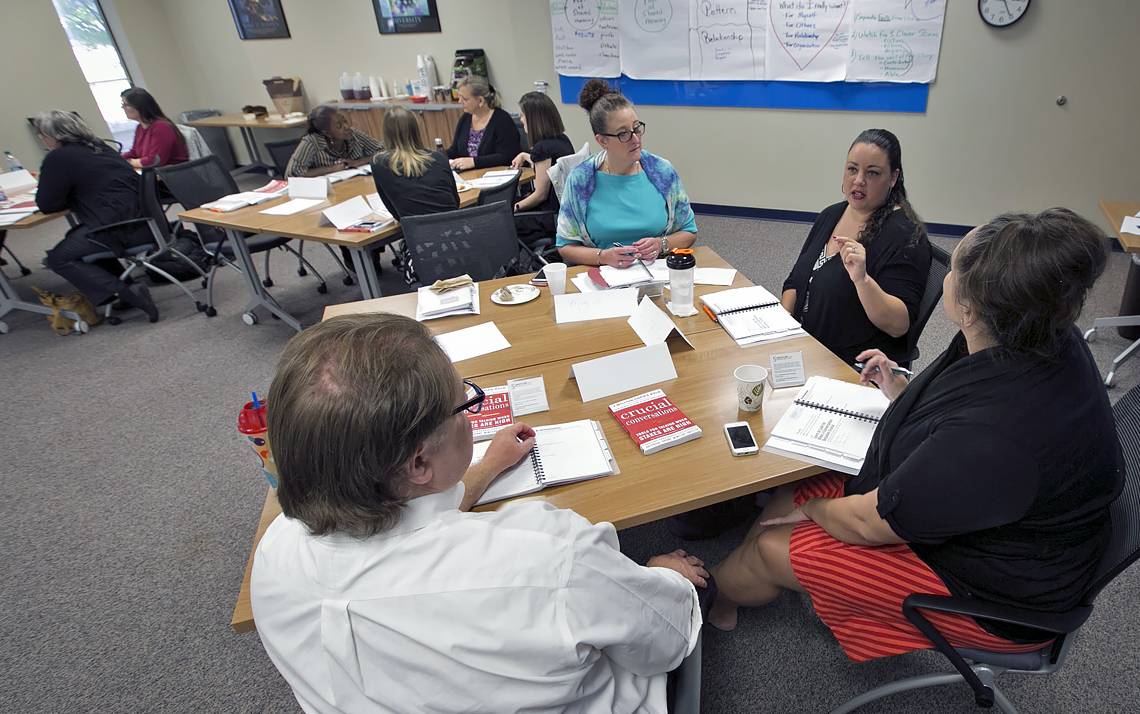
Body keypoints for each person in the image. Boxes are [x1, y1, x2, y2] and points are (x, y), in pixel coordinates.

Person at [709, 208, 1124, 663]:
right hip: (1002, 525)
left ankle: (710, 597)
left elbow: (871, 522)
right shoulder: (1037, 335)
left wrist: (815, 511)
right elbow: (964, 420)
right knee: (786, 499)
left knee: (773, 541)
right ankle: (752, 578)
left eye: (954, 270)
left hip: (998, 597)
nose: (942, 277)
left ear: (968, 306)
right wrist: (903, 393)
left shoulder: (995, 434)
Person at [252, 313, 708, 713]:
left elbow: (407, 531)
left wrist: (486, 468)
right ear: (418, 464)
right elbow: (661, 643)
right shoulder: (549, 553)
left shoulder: (275, 550)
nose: (472, 413)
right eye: (465, 403)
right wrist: (661, 576)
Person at [781, 129, 931, 365]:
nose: (859, 180)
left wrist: (862, 280)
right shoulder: (831, 214)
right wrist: (781, 328)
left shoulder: (906, 237)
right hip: (803, 347)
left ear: (893, 178)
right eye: (852, 169)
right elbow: (795, 281)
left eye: (872, 173)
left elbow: (898, 325)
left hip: (849, 366)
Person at [33, 111, 159, 321]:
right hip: (148, 223)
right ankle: (121, 291)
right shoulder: (100, 147)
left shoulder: (58, 158)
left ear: (51, 136)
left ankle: (127, 291)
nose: (42, 141)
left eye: (42, 136)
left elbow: (46, 204)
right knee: (77, 237)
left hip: (118, 229)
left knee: (58, 257)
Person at [556, 79, 697, 267]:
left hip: (657, 274)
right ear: (602, 140)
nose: (635, 139)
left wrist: (661, 244)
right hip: (604, 277)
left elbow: (689, 230)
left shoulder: (662, 171)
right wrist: (602, 256)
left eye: (637, 128)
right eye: (623, 134)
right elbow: (565, 245)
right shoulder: (581, 179)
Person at [370, 106, 459, 220]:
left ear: (386, 133)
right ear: (416, 129)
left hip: (418, 234)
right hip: (456, 230)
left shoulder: (379, 163)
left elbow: (395, 211)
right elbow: (455, 202)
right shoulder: (439, 157)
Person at [510, 91, 574, 248]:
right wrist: (526, 156)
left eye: (523, 115)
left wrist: (514, 208)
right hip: (565, 213)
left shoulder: (542, 149)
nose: (521, 119)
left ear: (533, 120)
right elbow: (547, 170)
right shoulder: (561, 139)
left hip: (550, 217)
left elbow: (540, 195)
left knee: (501, 219)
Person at [445, 76, 521, 171]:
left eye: (464, 99)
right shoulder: (465, 119)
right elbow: (455, 150)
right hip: (469, 177)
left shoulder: (502, 120)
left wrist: (474, 162)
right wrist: (437, 157)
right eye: (459, 97)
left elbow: (507, 156)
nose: (460, 102)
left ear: (480, 101)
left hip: (496, 177)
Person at [285, 104, 382, 178]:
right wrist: (331, 169)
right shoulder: (312, 142)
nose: (347, 127)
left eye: (345, 121)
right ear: (327, 133)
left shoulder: (353, 134)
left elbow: (383, 152)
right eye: (339, 126)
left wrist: (358, 162)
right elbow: (291, 174)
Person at [120, 87, 188, 168]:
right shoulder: (140, 128)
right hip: (155, 174)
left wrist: (129, 162)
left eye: (125, 105)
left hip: (172, 175)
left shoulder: (161, 127)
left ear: (139, 106)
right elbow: (135, 152)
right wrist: (117, 159)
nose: (123, 108)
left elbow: (154, 161)